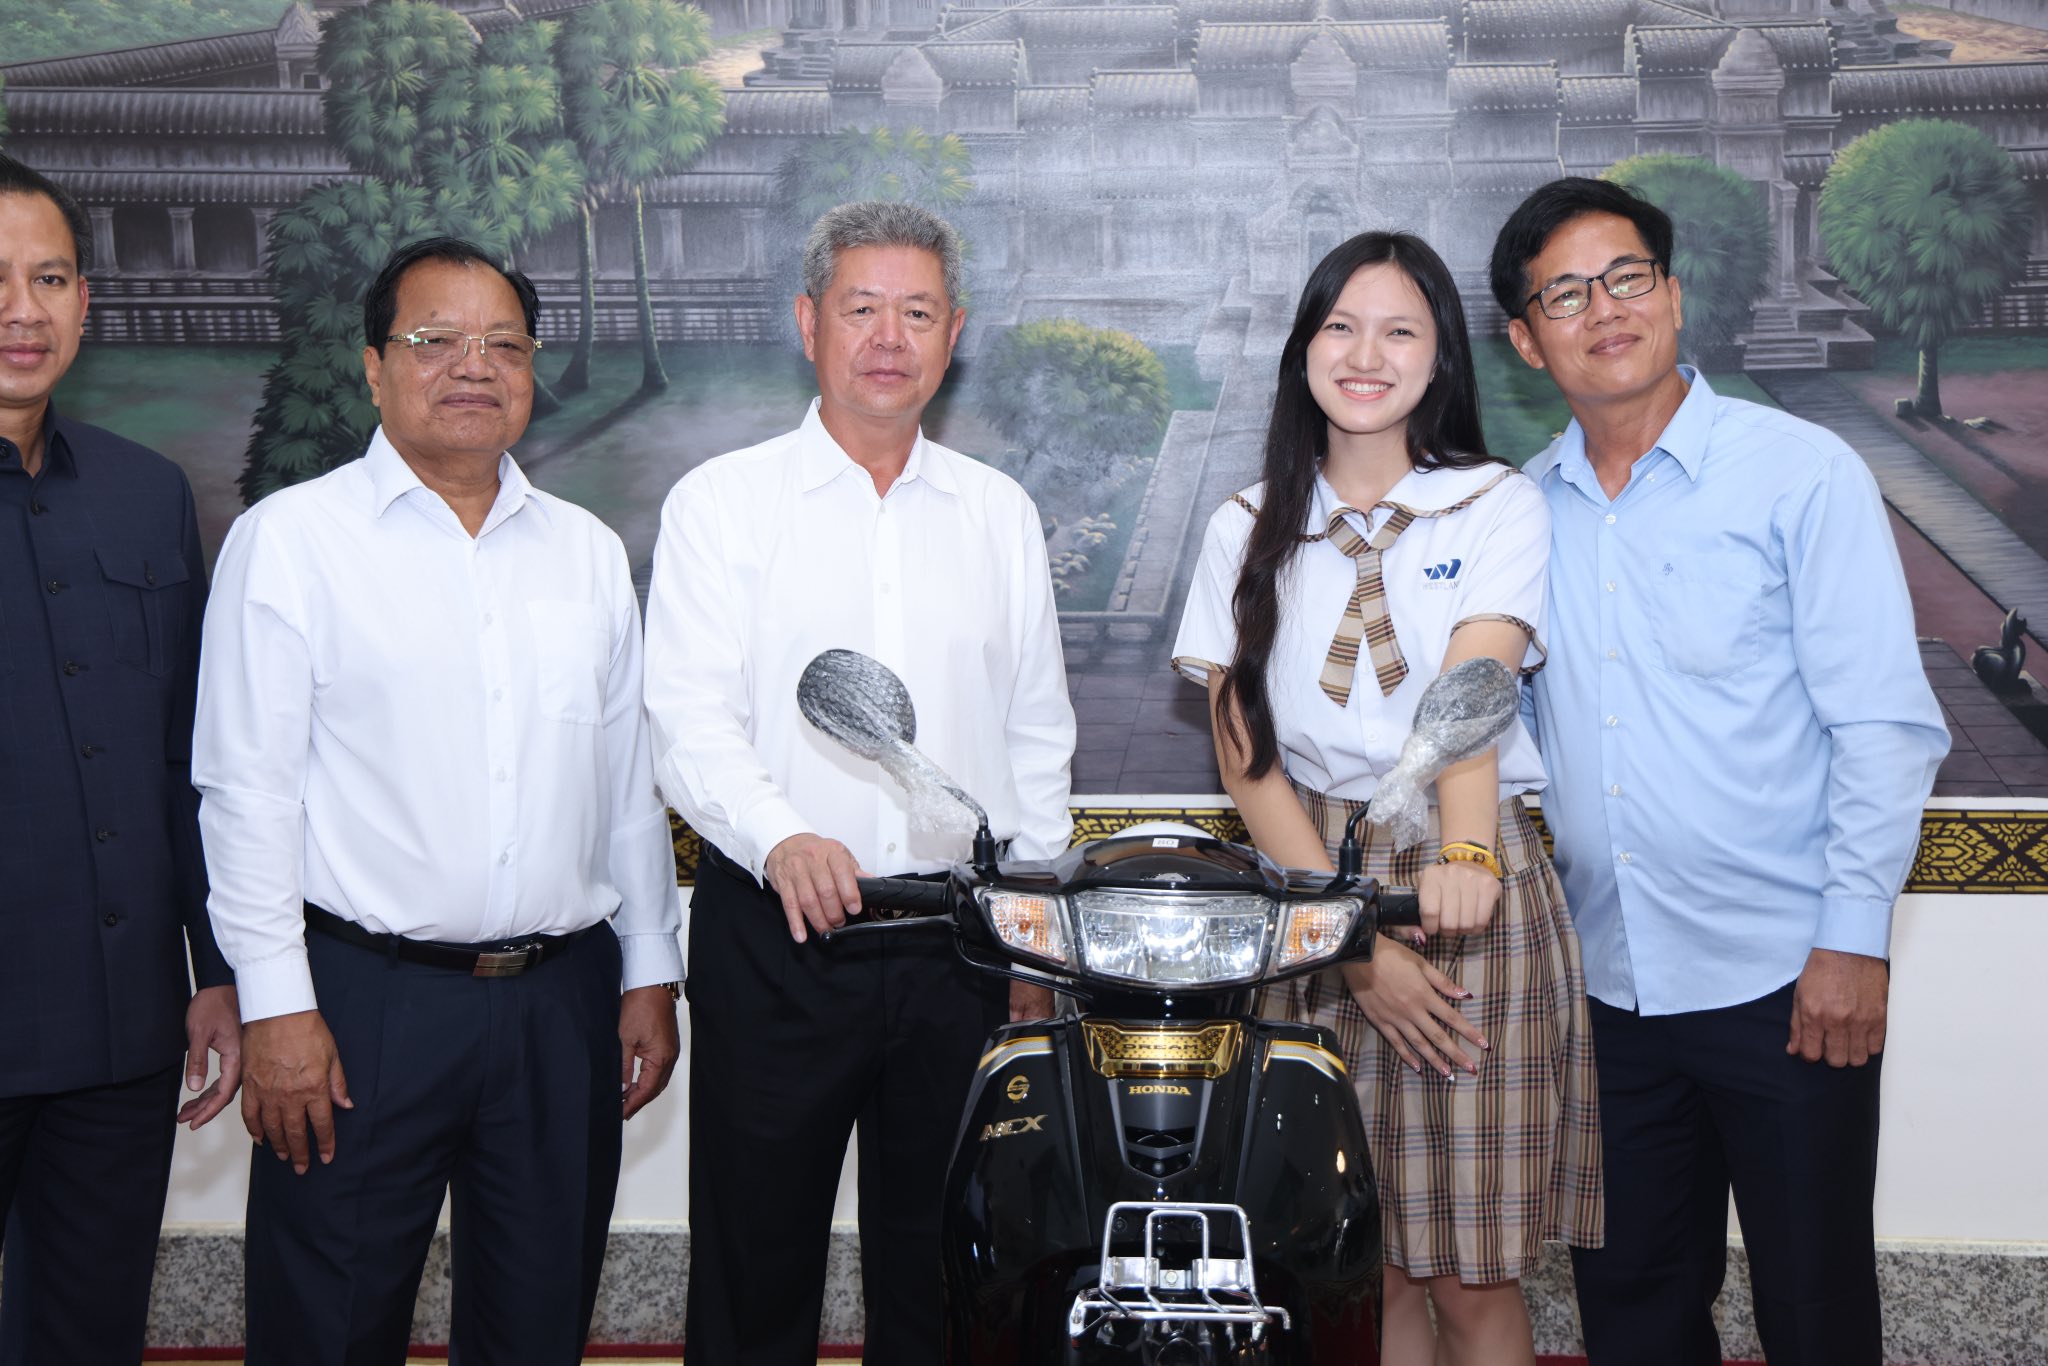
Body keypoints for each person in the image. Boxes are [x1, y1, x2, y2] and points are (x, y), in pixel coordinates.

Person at [192, 237, 683, 1366]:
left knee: (538, 1323)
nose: (474, 365)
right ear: (374, 366)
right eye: (435, 340)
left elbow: (624, 781)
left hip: (559, 1005)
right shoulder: (291, 543)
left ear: (532, 367)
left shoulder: (586, 554)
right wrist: (275, 1006)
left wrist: (650, 970)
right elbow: (245, 794)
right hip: (360, 1007)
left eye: (503, 343)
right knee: (327, 1326)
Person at [1489, 177, 1948, 1365]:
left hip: (1787, 983)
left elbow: (1883, 725)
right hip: (1605, 993)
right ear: (1525, 339)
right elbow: (1508, 736)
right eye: (1564, 294)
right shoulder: (1519, 515)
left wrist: (1851, 941)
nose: (1604, 309)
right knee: (1629, 1308)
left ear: (1673, 293)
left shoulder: (1798, 473)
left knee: (1812, 1307)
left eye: (1626, 277)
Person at [643, 200, 1075, 1365]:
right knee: (753, 1272)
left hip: (960, 949)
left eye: (917, 313)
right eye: (861, 309)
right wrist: (780, 833)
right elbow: (685, 720)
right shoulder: (720, 505)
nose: (889, 338)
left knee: (947, 1273)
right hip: (778, 942)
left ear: (953, 334)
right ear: (807, 322)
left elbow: (1036, 738)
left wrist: (1033, 944)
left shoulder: (996, 514)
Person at [1173, 231, 1602, 1366]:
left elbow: (1471, 695)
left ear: (1439, 357)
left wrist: (1464, 860)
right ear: (1303, 350)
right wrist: (1344, 935)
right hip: (1307, 874)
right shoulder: (1243, 524)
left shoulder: (1493, 503)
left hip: (1463, 878)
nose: (1367, 356)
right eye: (1341, 328)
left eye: (1399, 330)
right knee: (1357, 1268)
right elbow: (1244, 750)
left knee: (1469, 1273)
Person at [0, 152, 241, 1365]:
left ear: (86, 302)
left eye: (49, 278)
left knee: (87, 1337)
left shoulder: (147, 494)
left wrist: (217, 965)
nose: (22, 310)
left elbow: (188, 755)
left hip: (119, 1031)